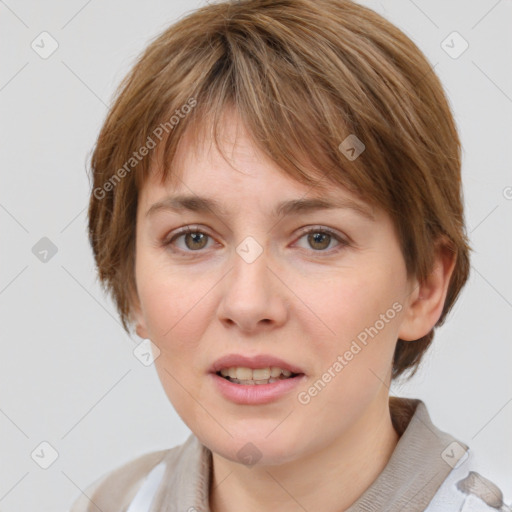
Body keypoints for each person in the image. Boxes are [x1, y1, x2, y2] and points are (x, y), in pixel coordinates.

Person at [70, 0, 510, 510]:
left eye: (318, 238)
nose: (248, 303)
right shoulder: (112, 501)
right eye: (193, 238)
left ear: (424, 286)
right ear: (132, 287)